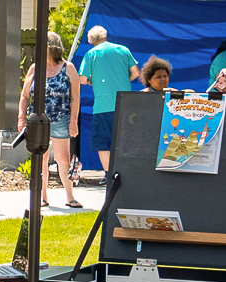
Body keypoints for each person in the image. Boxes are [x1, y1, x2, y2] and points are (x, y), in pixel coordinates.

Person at [18, 34, 81, 208]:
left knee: (63, 159)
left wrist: (73, 121)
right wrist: (21, 117)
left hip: (61, 119)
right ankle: (42, 196)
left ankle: (70, 196)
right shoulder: (34, 68)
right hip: (38, 120)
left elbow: (76, 98)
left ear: (51, 46)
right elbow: (24, 96)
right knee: (41, 159)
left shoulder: (68, 68)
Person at [77, 25, 139, 171]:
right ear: (105, 36)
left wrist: (93, 81)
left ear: (91, 41)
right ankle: (125, 174)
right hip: (125, 106)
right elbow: (136, 73)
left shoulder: (91, 54)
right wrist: (123, 80)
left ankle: (109, 175)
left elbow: (82, 79)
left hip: (102, 107)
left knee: (102, 144)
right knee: (125, 143)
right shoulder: (123, 50)